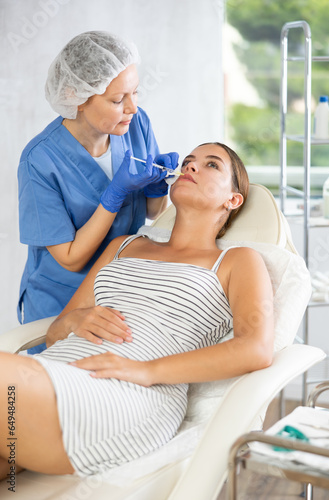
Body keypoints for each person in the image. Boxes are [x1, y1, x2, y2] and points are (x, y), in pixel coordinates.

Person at [0, 142, 274, 480]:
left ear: (232, 200)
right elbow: (57, 331)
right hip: (54, 371)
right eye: (188, 161)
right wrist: (75, 319)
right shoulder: (124, 246)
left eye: (211, 165)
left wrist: (147, 370)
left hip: (129, 395)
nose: (191, 166)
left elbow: (256, 348)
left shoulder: (237, 261)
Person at [17, 31, 178, 353]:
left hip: (120, 291)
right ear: (76, 97)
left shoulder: (137, 124)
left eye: (134, 93)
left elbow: (152, 211)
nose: (132, 107)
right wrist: (113, 197)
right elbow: (70, 259)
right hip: (60, 302)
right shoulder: (40, 159)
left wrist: (158, 187)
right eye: (118, 100)